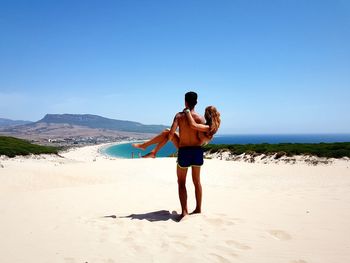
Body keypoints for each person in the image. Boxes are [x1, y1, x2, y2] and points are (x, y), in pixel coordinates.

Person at [133, 92, 221, 220]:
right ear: (196, 102)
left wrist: (167, 139)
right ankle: (198, 209)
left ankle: (184, 212)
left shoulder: (179, 116)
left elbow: (170, 134)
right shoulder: (201, 119)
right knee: (197, 182)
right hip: (197, 152)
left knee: (181, 183)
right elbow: (201, 137)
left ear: (185, 102)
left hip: (184, 151)